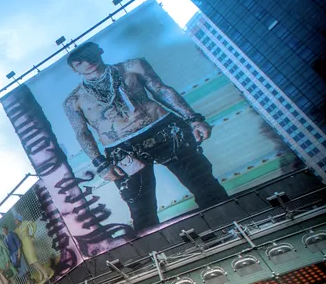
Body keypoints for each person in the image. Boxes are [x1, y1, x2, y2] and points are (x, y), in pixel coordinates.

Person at [62, 41, 226, 232]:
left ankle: (229, 226)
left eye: (89, 54)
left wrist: (193, 119)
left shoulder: (133, 67)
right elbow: (82, 133)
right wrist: (101, 163)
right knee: (141, 209)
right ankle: (158, 255)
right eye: (79, 61)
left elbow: (161, 90)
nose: (87, 62)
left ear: (99, 50)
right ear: (74, 69)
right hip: (122, 150)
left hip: (164, 130)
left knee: (203, 183)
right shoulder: (73, 101)